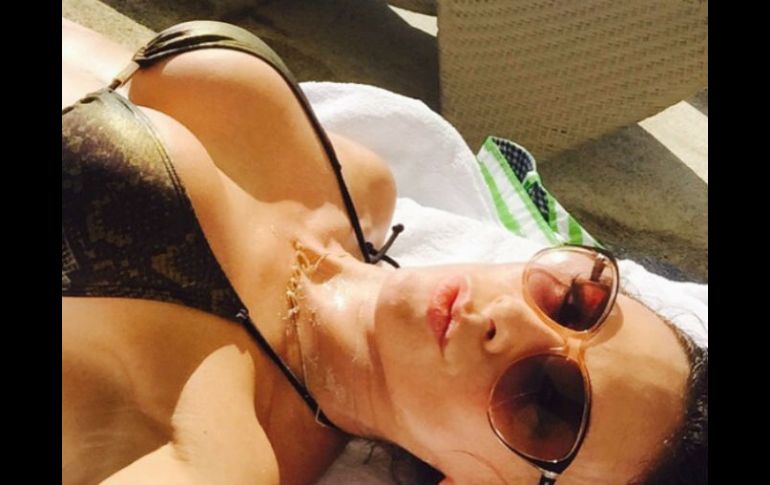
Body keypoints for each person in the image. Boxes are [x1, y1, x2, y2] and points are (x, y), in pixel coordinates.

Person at [62, 18, 707, 485]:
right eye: (575, 302)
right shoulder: (364, 190)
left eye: (547, 403)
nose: (513, 322)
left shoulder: (213, 451)